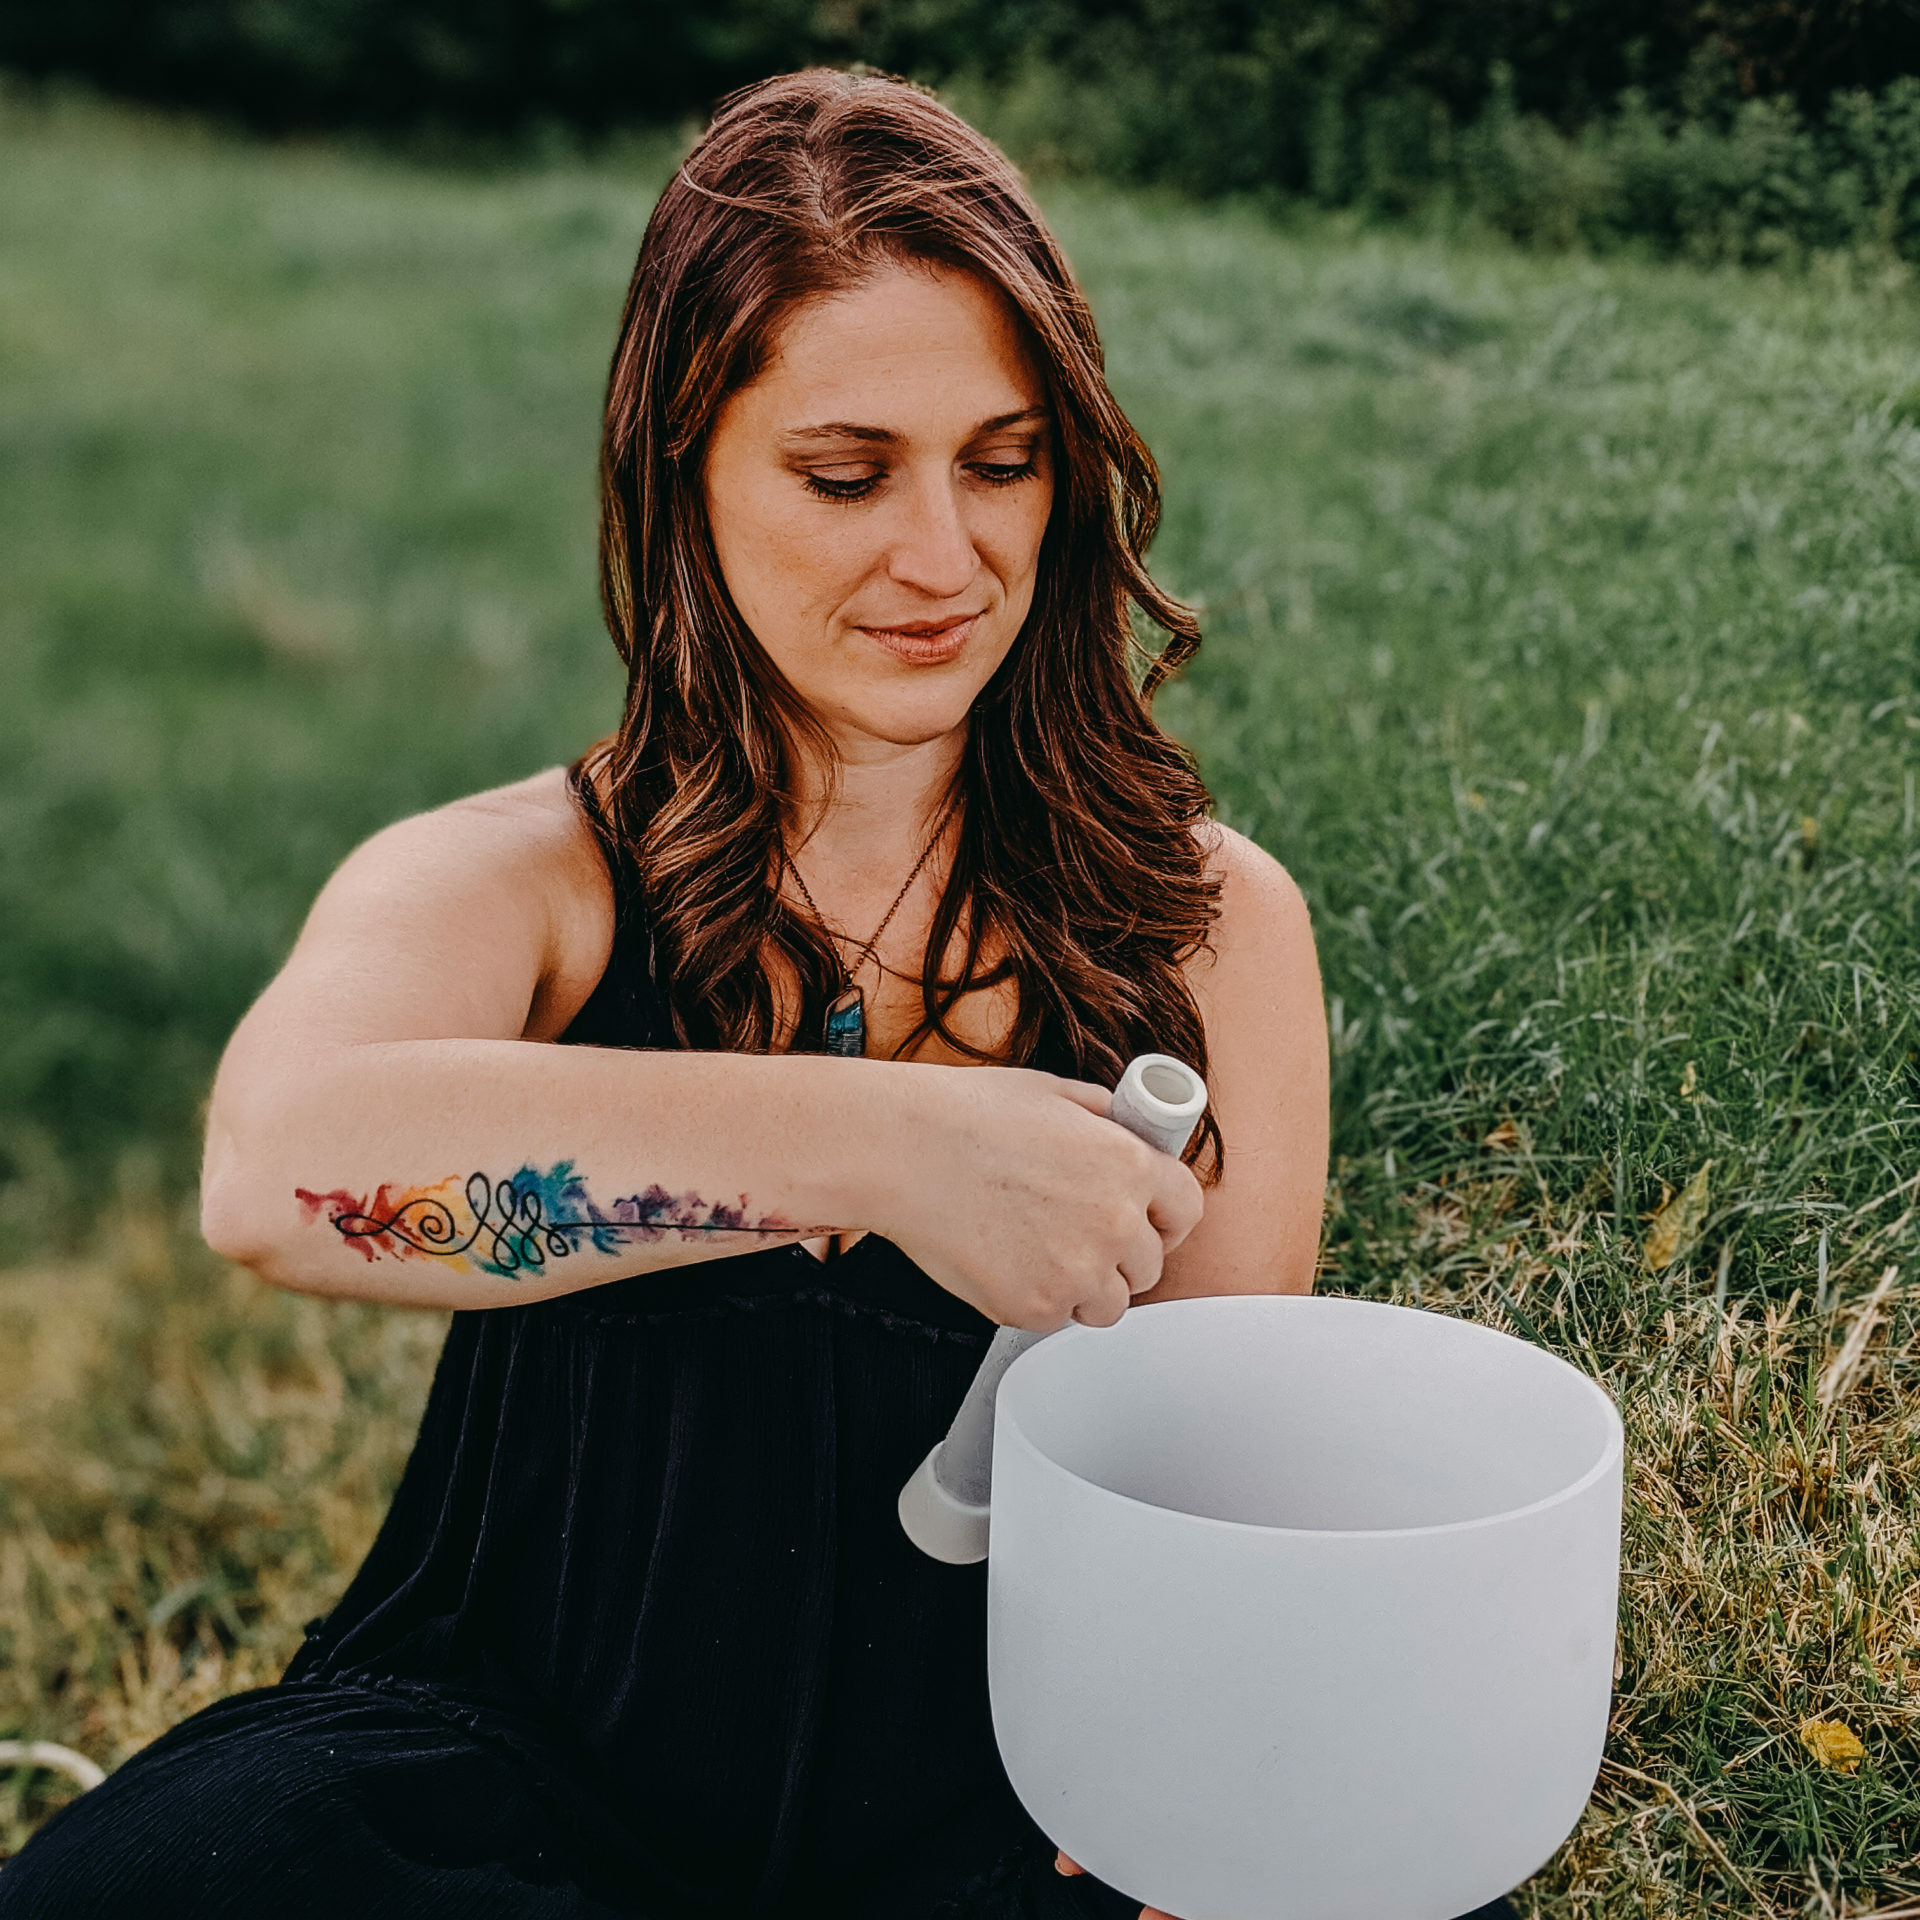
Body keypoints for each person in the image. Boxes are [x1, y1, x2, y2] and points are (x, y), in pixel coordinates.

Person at [1, 66, 1376, 1920]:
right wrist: (888, 1150)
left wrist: (1181, 1754)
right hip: (515, 1778)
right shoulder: (532, 881)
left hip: (998, 1818)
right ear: (684, 473)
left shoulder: (1206, 926)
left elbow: (1212, 1480)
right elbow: (276, 1171)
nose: (944, 557)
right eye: (843, 474)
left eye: (1002, 459)